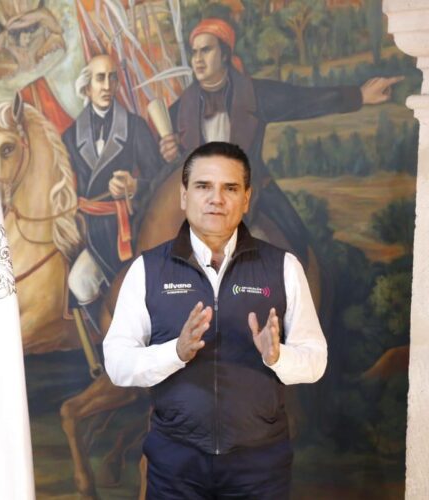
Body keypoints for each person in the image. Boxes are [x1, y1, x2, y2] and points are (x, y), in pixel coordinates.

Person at [103, 141, 327, 499]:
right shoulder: (146, 270)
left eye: (230, 188)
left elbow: (315, 361)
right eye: (203, 186)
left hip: (260, 468)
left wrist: (277, 357)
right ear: (184, 196)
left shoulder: (284, 267)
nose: (216, 199)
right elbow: (117, 365)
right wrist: (175, 352)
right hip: (175, 467)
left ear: (247, 199)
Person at [159, 18, 403, 264]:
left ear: (224, 54)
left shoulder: (254, 94)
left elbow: (304, 100)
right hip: (200, 204)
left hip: (251, 194)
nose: (198, 59)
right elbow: (164, 166)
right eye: (194, 52)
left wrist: (359, 96)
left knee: (295, 245)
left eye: (206, 50)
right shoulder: (180, 109)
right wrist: (169, 153)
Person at [61, 54, 164, 332]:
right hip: (94, 234)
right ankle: (109, 337)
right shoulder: (69, 137)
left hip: (132, 232)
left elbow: (160, 178)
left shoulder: (135, 126)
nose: (107, 86)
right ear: (87, 87)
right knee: (79, 281)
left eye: (112, 77)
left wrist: (134, 186)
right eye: (100, 78)